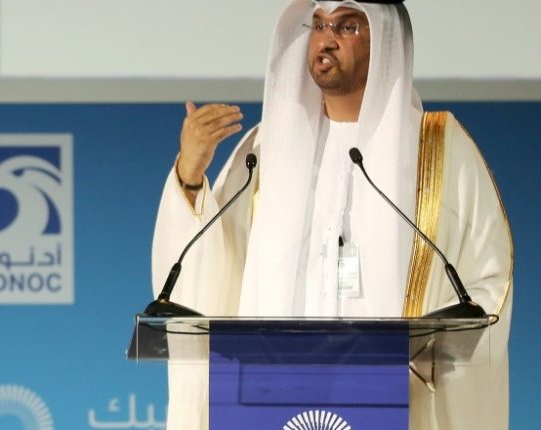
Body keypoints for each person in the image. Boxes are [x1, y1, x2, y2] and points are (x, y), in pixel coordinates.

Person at [151, 0, 513, 429]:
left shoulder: (437, 149)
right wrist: (190, 175)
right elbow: (211, 269)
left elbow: (486, 279)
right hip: (274, 400)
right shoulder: (266, 150)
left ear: (385, 41)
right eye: (320, 25)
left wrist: (430, 352)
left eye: (346, 27)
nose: (326, 40)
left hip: (395, 400)